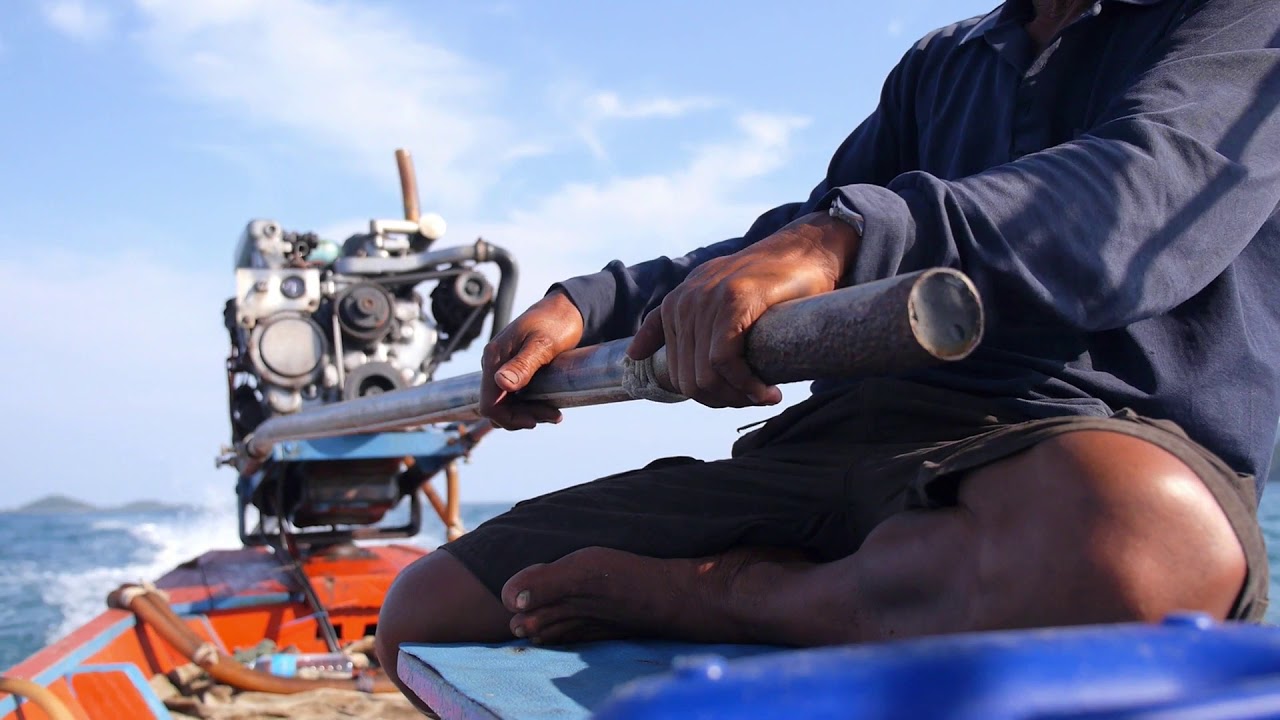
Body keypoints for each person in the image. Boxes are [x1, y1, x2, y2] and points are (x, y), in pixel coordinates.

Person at [377, 0, 1280, 700]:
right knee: (427, 614)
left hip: (1073, 442)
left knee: (1139, 546)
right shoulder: (943, 64)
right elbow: (793, 238)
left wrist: (838, 241)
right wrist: (597, 306)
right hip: (845, 441)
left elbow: (1140, 196)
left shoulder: (1243, 22)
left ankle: (729, 593)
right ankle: (843, 590)